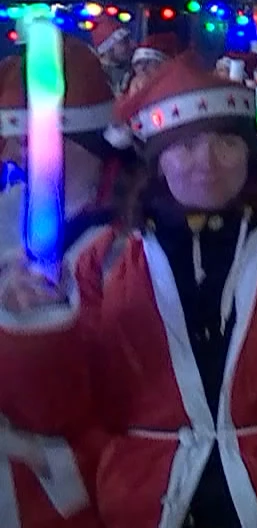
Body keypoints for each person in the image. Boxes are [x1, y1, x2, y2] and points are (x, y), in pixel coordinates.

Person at [3, 54, 257, 526]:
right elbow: (71, 409)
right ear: (157, 161)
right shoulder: (107, 260)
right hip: (150, 506)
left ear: (250, 152)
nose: (206, 163)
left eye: (226, 142)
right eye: (185, 145)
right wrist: (39, 327)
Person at [0, 35, 129, 528]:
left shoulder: (134, 236)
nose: (13, 152)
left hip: (79, 479)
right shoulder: (10, 209)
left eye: (29, 138)